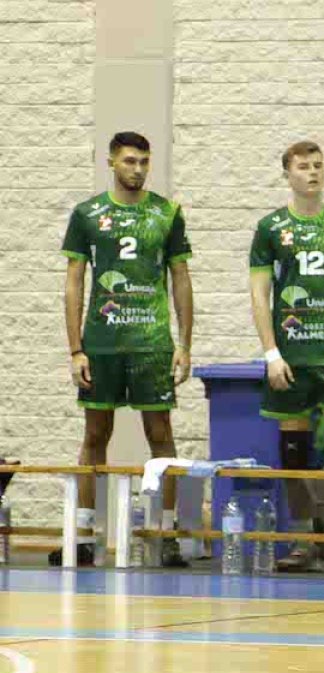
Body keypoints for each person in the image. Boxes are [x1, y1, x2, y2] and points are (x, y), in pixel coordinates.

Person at [58, 131, 194, 568]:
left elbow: (180, 278)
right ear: (111, 162)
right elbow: (74, 281)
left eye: (144, 162)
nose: (137, 169)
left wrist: (184, 344)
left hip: (152, 343)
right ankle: (82, 533)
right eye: (130, 161)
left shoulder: (167, 213)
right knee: (95, 436)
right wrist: (76, 348)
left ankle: (166, 532)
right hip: (102, 343)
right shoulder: (87, 214)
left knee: (162, 438)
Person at [249, 140, 324, 574]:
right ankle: (303, 539)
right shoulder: (270, 229)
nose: (313, 173)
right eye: (303, 166)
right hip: (290, 359)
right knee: (295, 455)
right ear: (288, 173)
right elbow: (260, 295)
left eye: (318, 165)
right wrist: (271, 354)